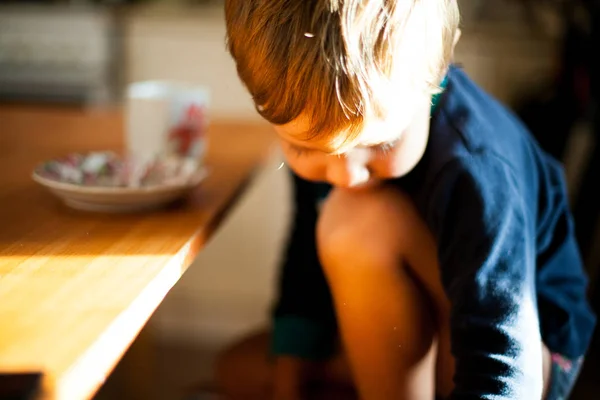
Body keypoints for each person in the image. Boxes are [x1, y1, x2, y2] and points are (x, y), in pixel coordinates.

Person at [214, 1, 596, 399]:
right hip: (429, 319)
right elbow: (305, 262)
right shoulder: (323, 120)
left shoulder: (479, 167)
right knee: (239, 368)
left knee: (353, 224)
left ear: (437, 70)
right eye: (305, 150)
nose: (347, 174)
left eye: (381, 144)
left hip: (523, 352)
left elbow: (503, 356)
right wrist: (289, 379)